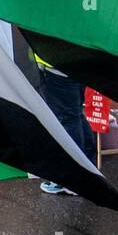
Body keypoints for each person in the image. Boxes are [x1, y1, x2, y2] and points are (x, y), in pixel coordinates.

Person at [35, 54, 95, 195]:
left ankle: (74, 180)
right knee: (75, 115)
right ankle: (88, 172)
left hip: (56, 65)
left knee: (68, 119)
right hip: (77, 63)